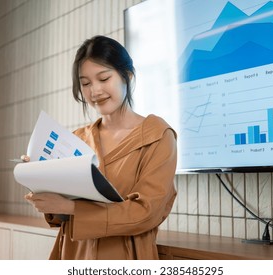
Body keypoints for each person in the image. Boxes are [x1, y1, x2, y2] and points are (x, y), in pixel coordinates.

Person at [23, 35, 177, 260]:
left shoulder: (158, 137)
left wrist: (72, 208)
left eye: (104, 78)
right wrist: (43, 185)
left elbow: (146, 213)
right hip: (74, 255)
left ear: (128, 76)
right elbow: (61, 215)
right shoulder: (77, 139)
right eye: (85, 83)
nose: (94, 91)